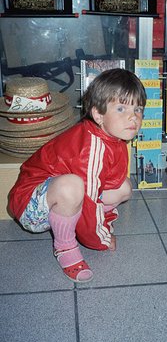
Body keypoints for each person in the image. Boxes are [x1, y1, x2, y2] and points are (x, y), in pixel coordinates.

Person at [8, 68, 147, 283]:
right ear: (98, 115)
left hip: (57, 195)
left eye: (138, 109)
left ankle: (75, 217)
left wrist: (104, 222)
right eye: (121, 108)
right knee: (72, 186)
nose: (133, 117)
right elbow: (90, 202)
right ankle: (64, 247)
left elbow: (107, 183)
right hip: (30, 206)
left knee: (124, 187)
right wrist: (100, 240)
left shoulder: (113, 138)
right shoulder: (91, 148)